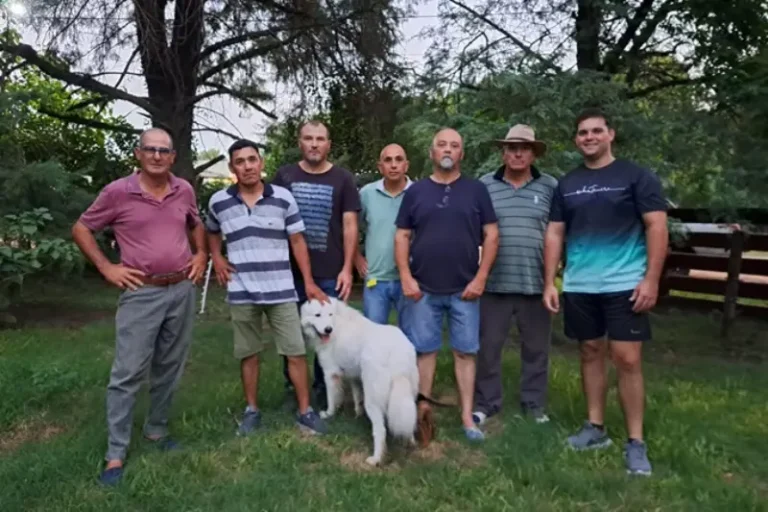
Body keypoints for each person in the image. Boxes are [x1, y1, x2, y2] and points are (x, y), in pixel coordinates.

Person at [71, 127, 208, 486]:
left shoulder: (184, 189)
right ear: (138, 153)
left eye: (164, 151)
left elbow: (195, 223)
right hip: (141, 292)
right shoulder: (118, 192)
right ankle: (115, 454)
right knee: (128, 372)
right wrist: (107, 267)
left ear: (173, 157)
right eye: (150, 149)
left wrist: (201, 254)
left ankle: (156, 430)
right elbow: (82, 229)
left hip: (181, 288)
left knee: (170, 365)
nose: (157, 156)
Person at [542, 108, 668, 476]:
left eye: (596, 131)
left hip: (625, 283)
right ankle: (595, 428)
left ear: (610, 134)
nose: (589, 137)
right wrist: (549, 282)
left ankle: (636, 442)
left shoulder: (636, 176)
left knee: (627, 359)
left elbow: (656, 226)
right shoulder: (567, 184)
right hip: (580, 284)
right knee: (590, 351)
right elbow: (555, 233)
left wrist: (651, 279)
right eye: (583, 133)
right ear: (576, 140)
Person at [205, 139, 329, 437]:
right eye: (240, 162)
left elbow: (297, 241)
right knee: (248, 354)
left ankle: (305, 412)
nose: (247, 166)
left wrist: (308, 281)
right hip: (242, 290)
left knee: (295, 352)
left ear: (260, 163)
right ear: (232, 167)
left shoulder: (283, 198)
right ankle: (252, 410)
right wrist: (217, 257)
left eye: (252, 160)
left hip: (281, 289)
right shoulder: (219, 201)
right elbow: (211, 230)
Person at [395, 127, 499, 441]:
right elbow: (402, 236)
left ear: (461, 154)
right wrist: (406, 277)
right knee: (424, 351)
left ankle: (467, 418)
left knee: (465, 353)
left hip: (465, 290)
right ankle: (422, 411)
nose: (448, 149)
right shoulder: (416, 192)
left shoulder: (476, 190)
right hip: (422, 289)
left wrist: (481, 278)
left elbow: (491, 234)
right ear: (432, 152)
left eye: (454, 145)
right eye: (442, 144)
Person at [271, 120, 361, 409]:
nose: (314, 144)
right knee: (291, 333)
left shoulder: (343, 179)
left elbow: (350, 225)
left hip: (330, 272)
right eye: (308, 138)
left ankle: (324, 389)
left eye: (320, 139)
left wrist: (347, 268)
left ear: (328, 145)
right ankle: (293, 387)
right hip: (288, 273)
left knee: (327, 335)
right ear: (300, 143)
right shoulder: (284, 176)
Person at [472, 124, 558, 427]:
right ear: (503, 153)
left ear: (533, 154)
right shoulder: (484, 185)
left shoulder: (550, 186)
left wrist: (552, 279)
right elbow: (475, 231)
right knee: (488, 348)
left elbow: (557, 233)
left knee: (536, 350)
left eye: (524, 148)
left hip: (536, 283)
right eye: (512, 148)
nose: (518, 153)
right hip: (494, 284)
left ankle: (533, 404)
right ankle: (486, 403)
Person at [355, 143, 412, 326]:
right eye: (388, 160)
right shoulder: (366, 194)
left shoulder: (418, 193)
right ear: (380, 167)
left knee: (411, 337)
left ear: (406, 165)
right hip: (375, 278)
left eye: (398, 159)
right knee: (373, 337)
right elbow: (351, 227)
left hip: (410, 279)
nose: (393, 165)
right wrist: (356, 257)